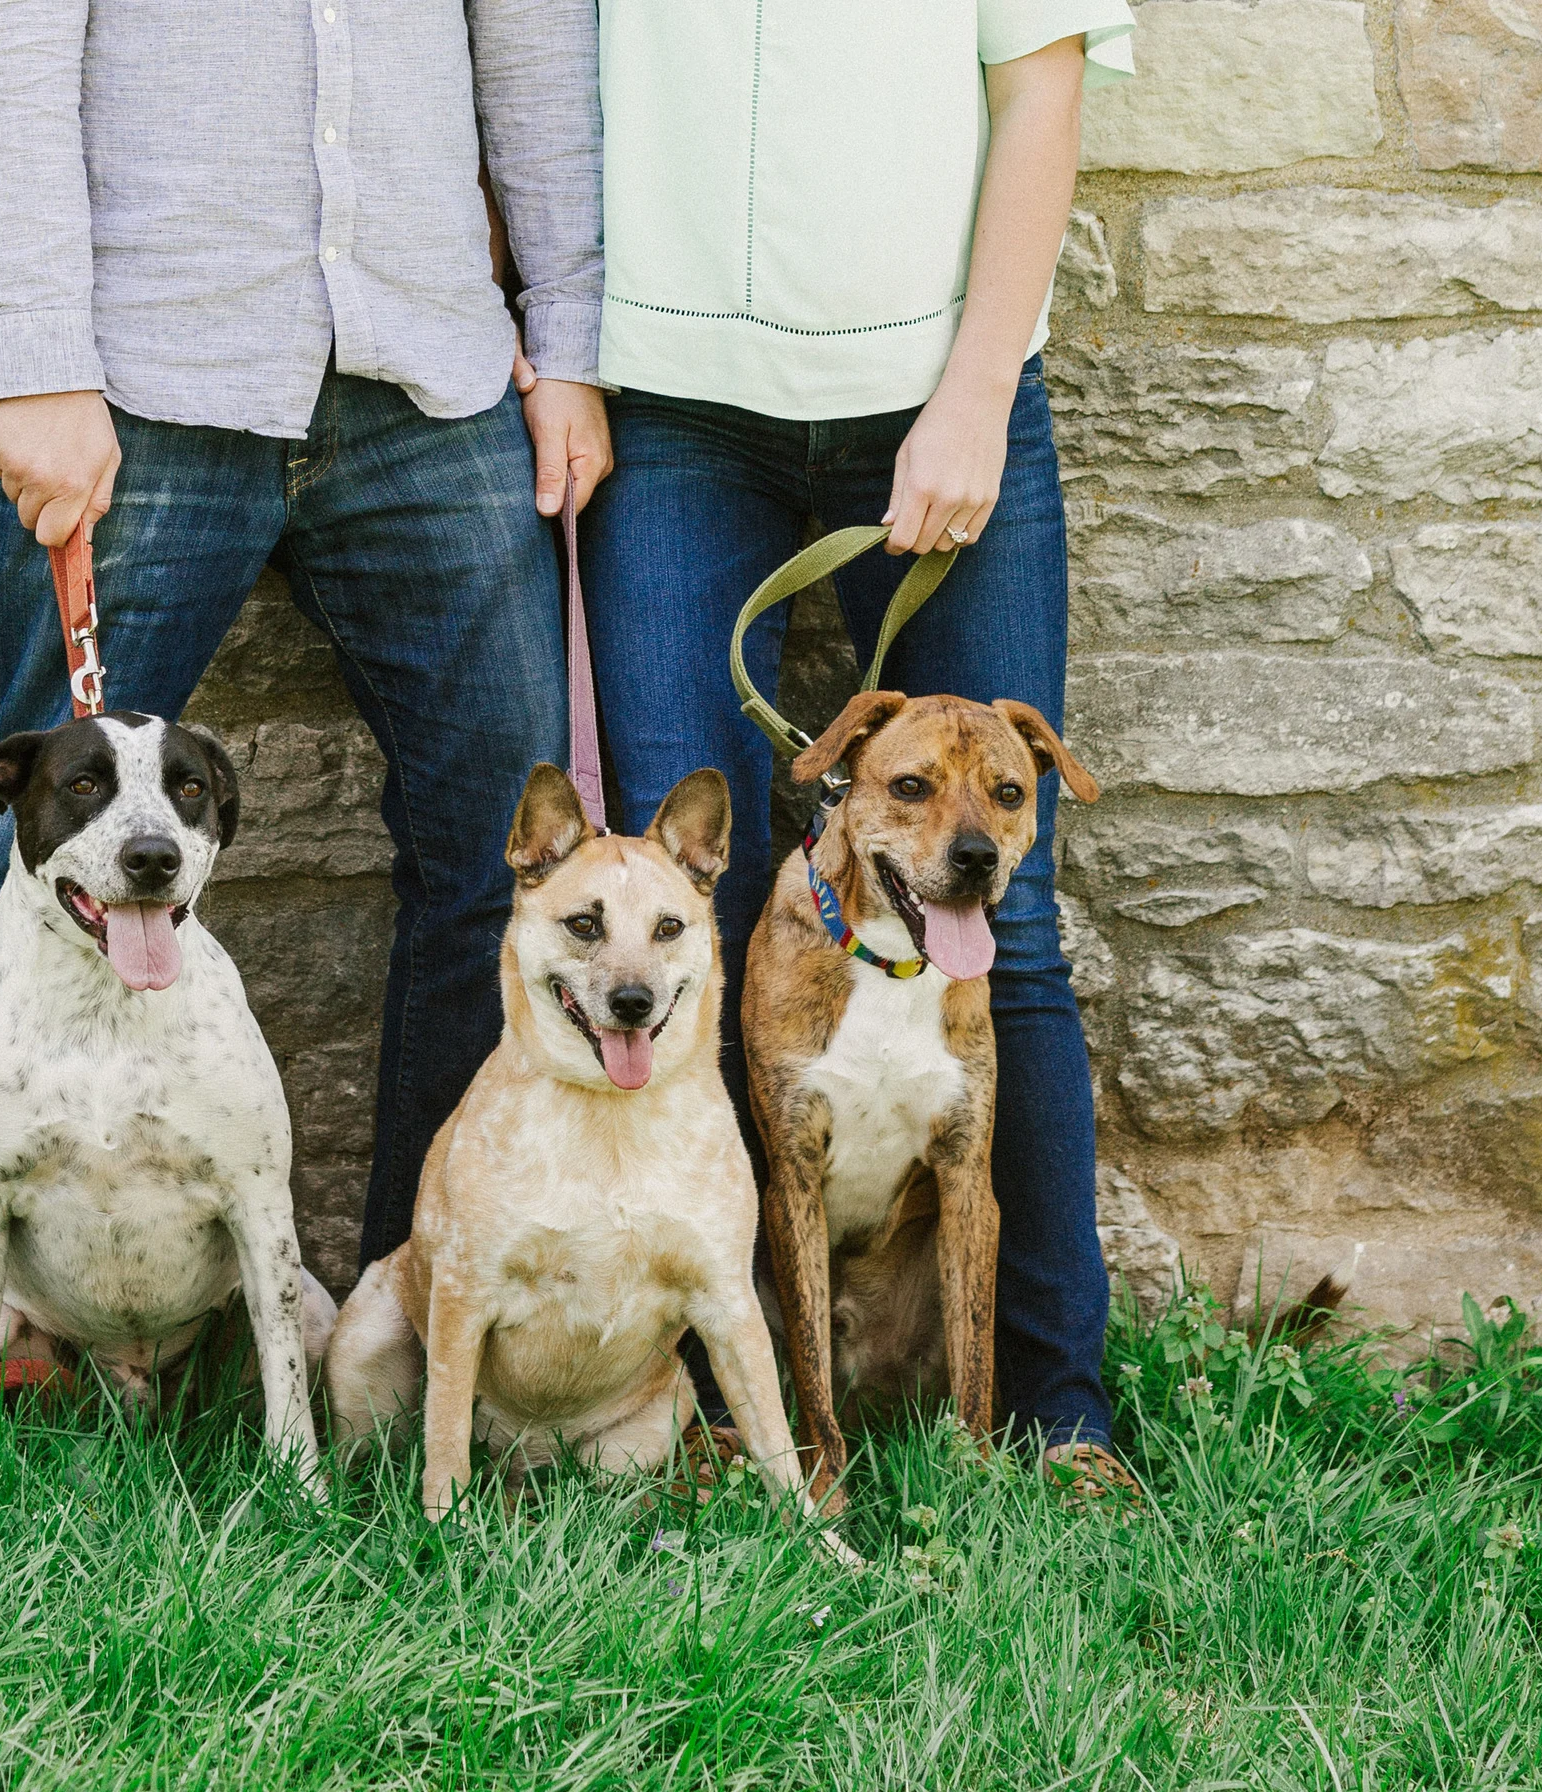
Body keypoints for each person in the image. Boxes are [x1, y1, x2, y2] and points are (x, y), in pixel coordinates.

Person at [0, 0, 614, 1478]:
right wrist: (41, 355)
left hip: (430, 381)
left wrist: (567, 338)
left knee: (499, 873)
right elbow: (10, 37)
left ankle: (412, 1341)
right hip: (145, 379)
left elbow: (538, 46)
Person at [573, 0, 1140, 1493]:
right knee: (679, 927)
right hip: (676, 412)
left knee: (1004, 936)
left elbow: (1042, 86)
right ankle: (703, 1402)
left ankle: (1057, 1405)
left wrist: (977, 392)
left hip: (941, 392)